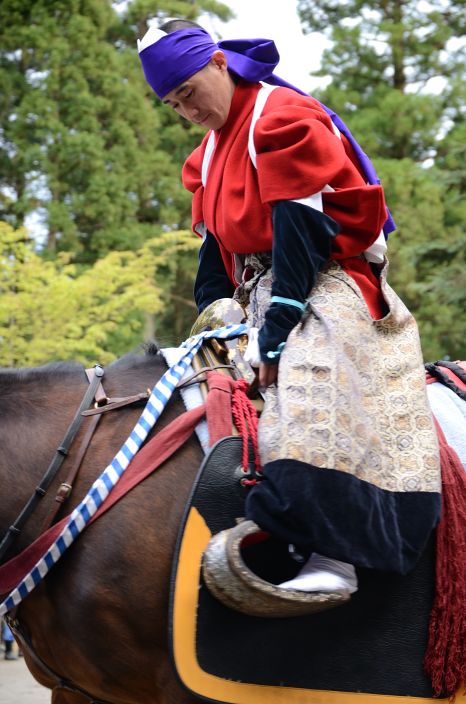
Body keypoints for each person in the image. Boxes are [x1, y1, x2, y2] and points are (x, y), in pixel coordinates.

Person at [137, 20, 441, 597]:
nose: (187, 111)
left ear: (220, 64)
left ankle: (331, 555)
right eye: (173, 103)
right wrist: (214, 322)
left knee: (306, 381)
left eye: (190, 92)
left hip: (324, 281)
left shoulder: (281, 117)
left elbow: (302, 235)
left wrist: (276, 332)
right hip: (256, 292)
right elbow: (214, 257)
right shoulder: (207, 153)